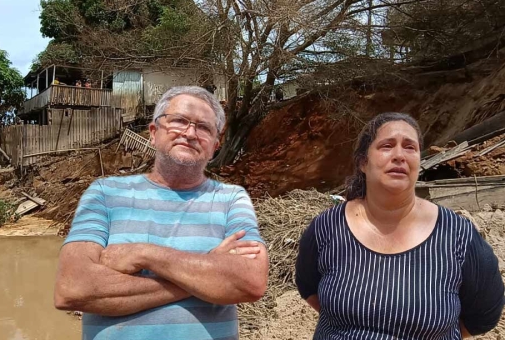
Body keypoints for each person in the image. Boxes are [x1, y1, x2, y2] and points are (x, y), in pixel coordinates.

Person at [54, 86, 269, 340]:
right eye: (179, 121)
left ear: (214, 147)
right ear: (154, 133)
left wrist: (144, 254)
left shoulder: (231, 199)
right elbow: (72, 288)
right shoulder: (104, 193)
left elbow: (250, 281)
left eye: (204, 128)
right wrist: (206, 269)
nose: (190, 133)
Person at [295, 112, 504, 339]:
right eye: (387, 145)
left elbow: (484, 314)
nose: (399, 155)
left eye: (409, 147)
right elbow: (309, 286)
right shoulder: (328, 227)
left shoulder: (457, 235)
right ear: (363, 162)